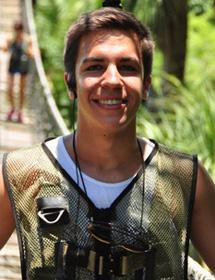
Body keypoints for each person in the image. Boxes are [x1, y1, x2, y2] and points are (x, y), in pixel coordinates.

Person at [0, 4, 215, 280]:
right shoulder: (21, 173)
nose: (112, 80)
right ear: (70, 83)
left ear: (146, 84)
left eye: (127, 67)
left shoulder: (185, 179)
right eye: (95, 66)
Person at [1, 21, 33, 123]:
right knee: (9, 88)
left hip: (23, 67)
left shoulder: (27, 40)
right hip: (13, 65)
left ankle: (20, 112)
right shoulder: (11, 39)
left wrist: (28, 50)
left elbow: (33, 53)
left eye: (19, 30)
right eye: (16, 30)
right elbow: (5, 49)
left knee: (22, 90)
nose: (17, 32)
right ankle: (12, 109)